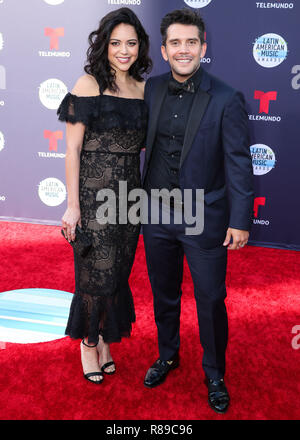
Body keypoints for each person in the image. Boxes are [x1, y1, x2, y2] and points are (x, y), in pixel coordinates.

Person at [142, 9, 254, 413]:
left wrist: (241, 219)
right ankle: (168, 355)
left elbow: (239, 161)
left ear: (203, 47)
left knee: (209, 299)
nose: (184, 49)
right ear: (165, 49)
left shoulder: (226, 97)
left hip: (203, 215)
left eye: (191, 42)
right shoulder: (150, 90)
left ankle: (214, 374)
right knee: (163, 294)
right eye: (176, 43)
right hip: (154, 213)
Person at [57, 7, 152, 384]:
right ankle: (88, 345)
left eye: (131, 43)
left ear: (140, 46)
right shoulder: (87, 84)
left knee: (117, 275)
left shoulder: (143, 89)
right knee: (94, 277)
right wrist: (72, 206)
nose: (124, 50)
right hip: (94, 201)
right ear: (104, 46)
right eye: (116, 43)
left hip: (130, 201)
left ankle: (107, 343)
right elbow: (72, 150)